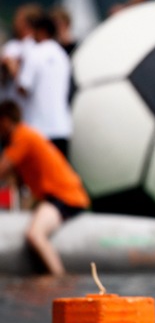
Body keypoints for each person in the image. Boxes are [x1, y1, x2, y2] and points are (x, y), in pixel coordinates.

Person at [0, 100, 90, 276]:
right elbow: (16, 183)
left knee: (35, 234)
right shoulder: (23, 138)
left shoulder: (22, 136)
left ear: (5, 121)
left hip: (65, 197)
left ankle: (59, 277)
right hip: (55, 196)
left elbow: (2, 169)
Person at [15, 16, 73, 156]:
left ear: (41, 32)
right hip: (62, 127)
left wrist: (13, 69)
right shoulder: (62, 55)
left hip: (38, 128)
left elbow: (23, 88)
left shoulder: (35, 53)